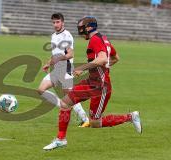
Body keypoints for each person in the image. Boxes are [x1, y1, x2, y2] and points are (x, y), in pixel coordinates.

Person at [43, 16, 142, 151]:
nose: (80, 31)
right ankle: (61, 139)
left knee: (95, 123)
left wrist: (82, 68)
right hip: (92, 82)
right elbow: (115, 58)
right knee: (65, 103)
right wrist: (103, 68)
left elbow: (102, 59)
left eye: (81, 28)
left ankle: (130, 117)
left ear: (89, 27)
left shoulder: (95, 40)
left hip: (100, 87)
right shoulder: (104, 39)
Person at [37, 13, 89, 127]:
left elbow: (70, 54)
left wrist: (59, 58)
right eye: (54, 22)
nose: (55, 24)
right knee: (41, 90)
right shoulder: (53, 36)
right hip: (56, 70)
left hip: (66, 69)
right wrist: (48, 63)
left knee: (70, 96)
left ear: (63, 22)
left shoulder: (67, 35)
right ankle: (62, 105)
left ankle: (85, 119)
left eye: (57, 22)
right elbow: (55, 54)